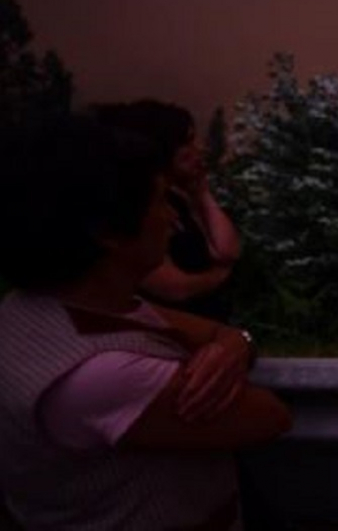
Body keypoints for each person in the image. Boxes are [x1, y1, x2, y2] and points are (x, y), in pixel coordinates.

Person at [0, 117, 291, 530]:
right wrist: (230, 346)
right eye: (159, 201)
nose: (173, 218)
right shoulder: (99, 378)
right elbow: (271, 416)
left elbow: (215, 334)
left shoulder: (29, 310)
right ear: (108, 233)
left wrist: (234, 343)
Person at [93, 99, 241, 321]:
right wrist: (218, 276)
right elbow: (172, 287)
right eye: (187, 142)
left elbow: (226, 250)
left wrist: (202, 194)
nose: (198, 149)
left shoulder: (178, 202)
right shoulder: (136, 208)